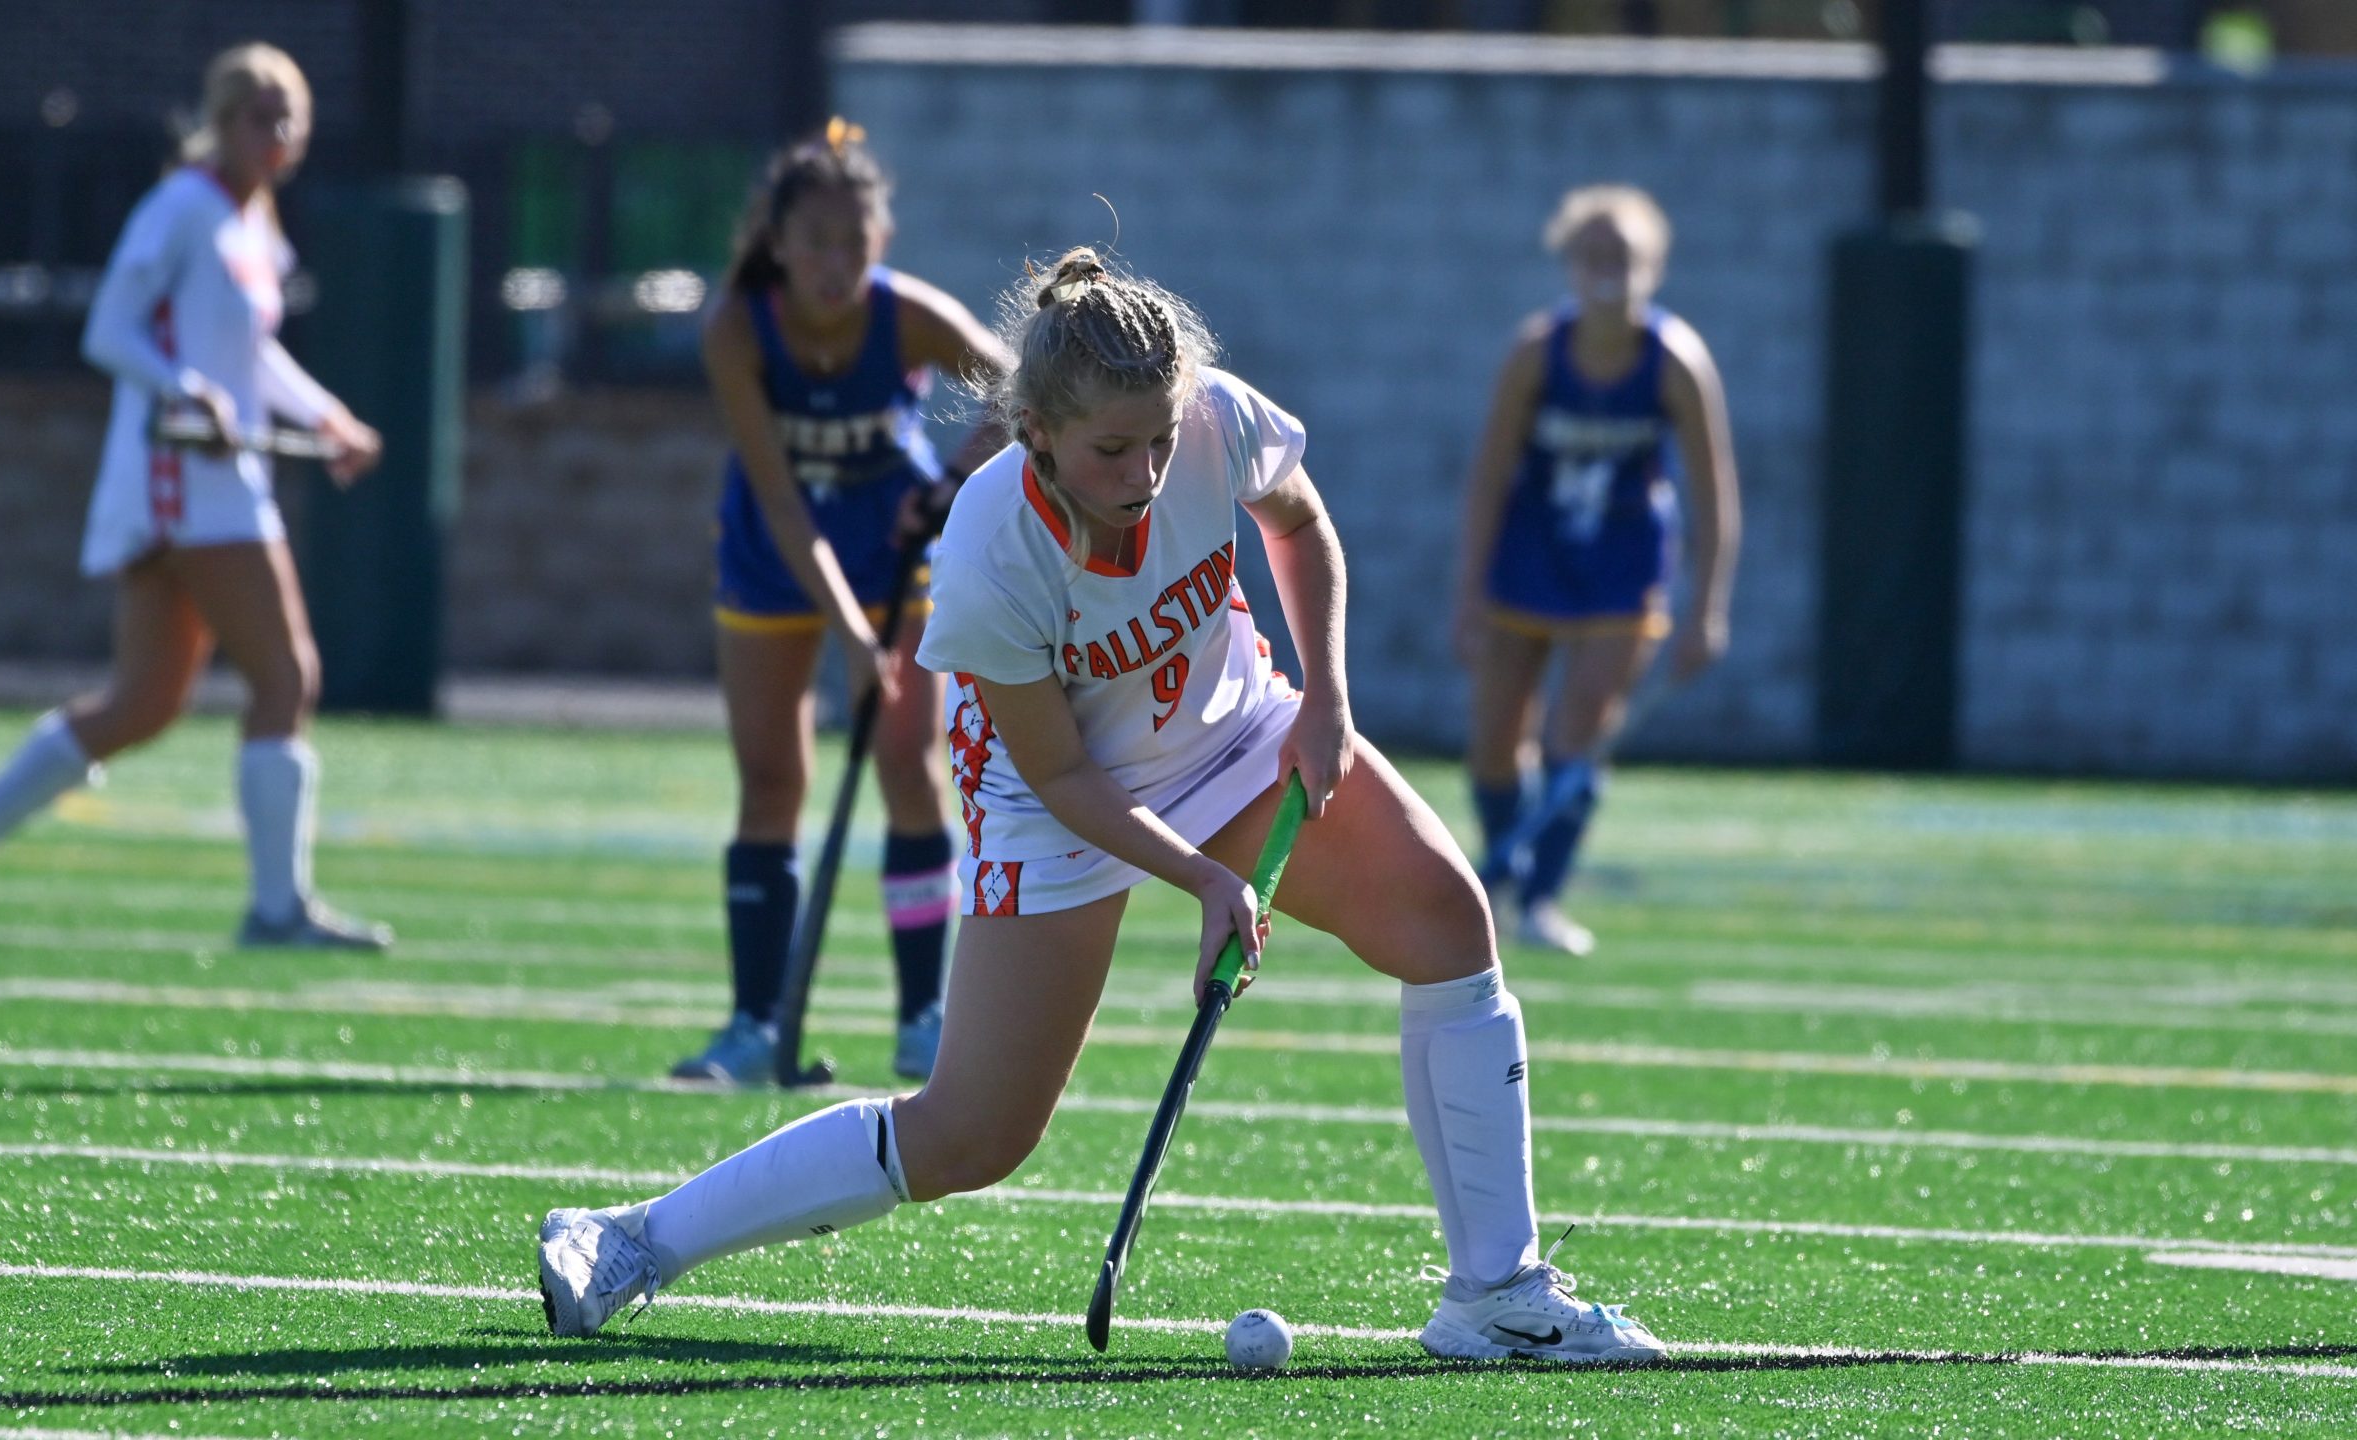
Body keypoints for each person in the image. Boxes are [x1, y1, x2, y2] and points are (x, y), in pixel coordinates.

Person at [536, 250, 1668, 1365]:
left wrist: (1325, 700)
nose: (1146, 474)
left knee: (1448, 925)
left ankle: (1495, 1293)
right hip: (1053, 798)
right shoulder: (989, 546)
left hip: (1229, 728)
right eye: (1113, 451)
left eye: (1160, 441)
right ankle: (634, 1239)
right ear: (1036, 431)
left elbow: (1298, 526)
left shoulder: (1215, 418)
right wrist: (1208, 881)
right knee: (972, 1134)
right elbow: (1064, 776)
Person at [0, 43, 390, 950]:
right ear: (222, 121)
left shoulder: (253, 224)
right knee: (286, 676)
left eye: (291, 117)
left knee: (145, 703)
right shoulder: (182, 208)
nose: (279, 133)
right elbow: (110, 331)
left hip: (206, 480)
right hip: (185, 480)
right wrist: (183, 389)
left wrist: (327, 417)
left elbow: (251, 355)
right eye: (261, 116)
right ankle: (277, 910)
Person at [673, 120, 1008, 1084]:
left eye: (854, 242)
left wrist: (949, 485)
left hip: (892, 550)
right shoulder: (737, 328)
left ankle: (925, 1018)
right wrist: (854, 637)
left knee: (909, 764)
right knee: (772, 779)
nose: (836, 263)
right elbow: (781, 499)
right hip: (773, 554)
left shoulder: (908, 317)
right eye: (816, 242)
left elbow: (1024, 391)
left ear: (881, 241)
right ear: (778, 243)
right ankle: (753, 1026)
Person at [1451, 185, 1740, 958]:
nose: (1609, 268)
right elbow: (1488, 478)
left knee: (1578, 730)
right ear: (1569, 262)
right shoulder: (1535, 353)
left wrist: (1709, 607)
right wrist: (1468, 593)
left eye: (1626, 255)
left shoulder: (1674, 361)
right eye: (1594, 253)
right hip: (1529, 557)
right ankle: (1501, 877)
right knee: (1494, 740)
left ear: (1655, 265)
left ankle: (1541, 898)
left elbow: (1715, 491)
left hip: (1622, 565)